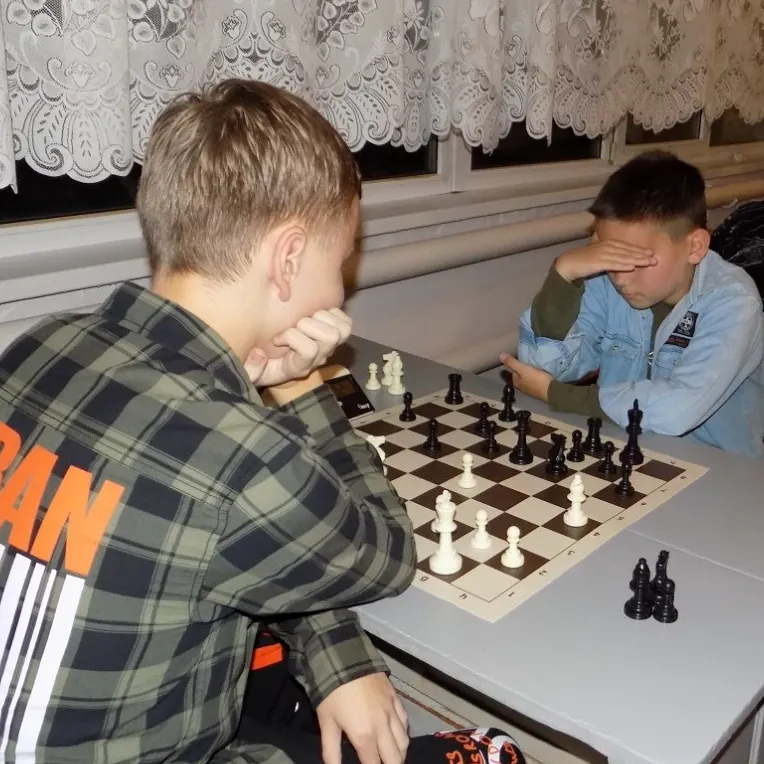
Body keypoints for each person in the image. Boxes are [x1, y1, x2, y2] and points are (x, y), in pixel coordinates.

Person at [0, 79, 525, 764]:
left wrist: (336, 652)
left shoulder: (40, 346)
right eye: (340, 261)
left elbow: (230, 542)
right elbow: (386, 552)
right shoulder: (242, 455)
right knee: (490, 755)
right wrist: (303, 386)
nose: (340, 288)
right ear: (288, 260)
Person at [501, 150, 764, 457]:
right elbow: (540, 369)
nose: (621, 277)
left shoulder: (735, 302)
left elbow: (675, 411)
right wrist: (563, 275)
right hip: (624, 446)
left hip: (722, 465)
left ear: (694, 247)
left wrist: (558, 395)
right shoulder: (607, 281)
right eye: (611, 255)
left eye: (637, 259)